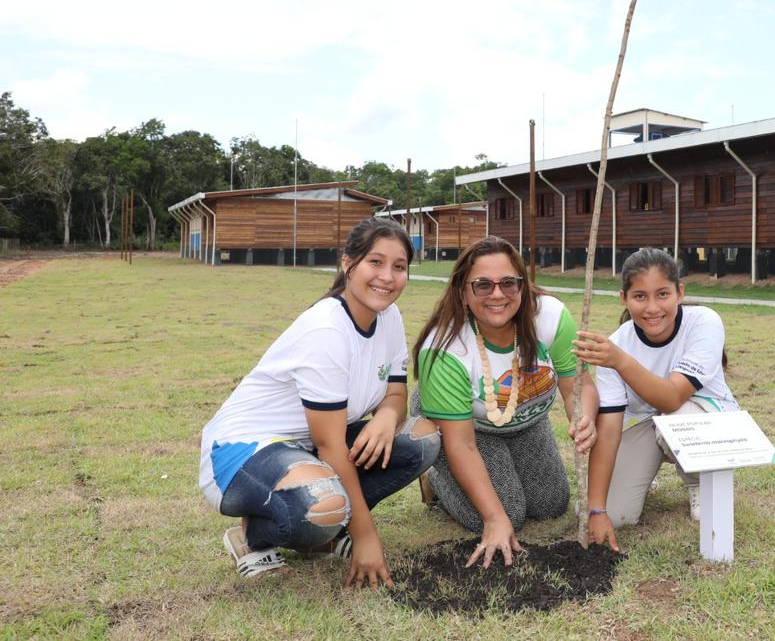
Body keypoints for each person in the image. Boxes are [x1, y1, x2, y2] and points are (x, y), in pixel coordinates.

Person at [198, 217, 439, 587]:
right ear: (348, 264)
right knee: (322, 504)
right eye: (375, 262)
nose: (387, 277)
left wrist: (386, 419)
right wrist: (365, 536)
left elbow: (395, 393)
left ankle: (322, 534)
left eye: (399, 266)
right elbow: (330, 446)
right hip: (243, 451)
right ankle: (252, 539)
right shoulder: (326, 330)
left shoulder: (388, 316)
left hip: (310, 449)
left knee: (421, 440)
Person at [414, 236, 599, 569]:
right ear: (463, 292)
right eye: (482, 285)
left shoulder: (551, 317)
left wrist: (582, 419)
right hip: (466, 430)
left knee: (550, 504)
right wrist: (494, 519)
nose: (497, 295)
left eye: (508, 283)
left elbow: (578, 384)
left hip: (526, 421)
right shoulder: (444, 349)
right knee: (508, 513)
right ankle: (436, 476)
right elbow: (463, 445)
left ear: (523, 286)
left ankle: (505, 465)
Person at [574, 247, 738, 551]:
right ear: (624, 298)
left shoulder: (704, 322)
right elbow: (609, 430)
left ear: (680, 292)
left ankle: (700, 481)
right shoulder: (617, 344)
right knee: (614, 512)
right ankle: (645, 476)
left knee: (673, 418)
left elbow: (673, 398)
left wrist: (620, 361)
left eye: (662, 294)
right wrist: (597, 509)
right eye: (640, 296)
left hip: (706, 422)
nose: (652, 307)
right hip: (655, 425)